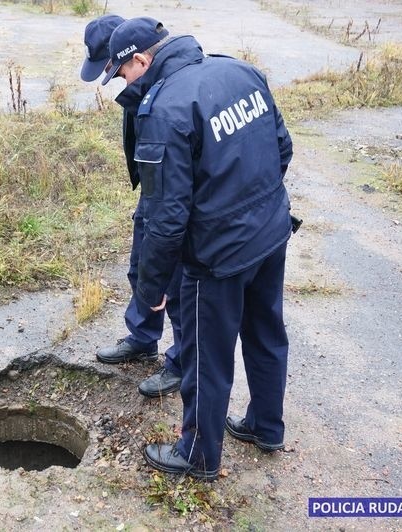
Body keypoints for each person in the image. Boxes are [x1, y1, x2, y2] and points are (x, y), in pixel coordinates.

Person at [101, 17, 294, 479]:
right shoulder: (240, 71)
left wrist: (151, 288)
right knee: (267, 332)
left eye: (123, 74)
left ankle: (199, 455)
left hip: (218, 254)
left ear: (142, 60)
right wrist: (250, 206)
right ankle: (266, 426)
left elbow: (165, 217)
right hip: (270, 233)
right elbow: (282, 149)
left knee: (207, 355)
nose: (124, 86)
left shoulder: (165, 109)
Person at [80, 15, 183, 398]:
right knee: (141, 264)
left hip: (175, 193)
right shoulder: (139, 81)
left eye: (111, 68)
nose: (112, 78)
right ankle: (142, 336)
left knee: (175, 278)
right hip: (153, 190)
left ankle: (181, 362)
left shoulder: (166, 86)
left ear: (132, 57)